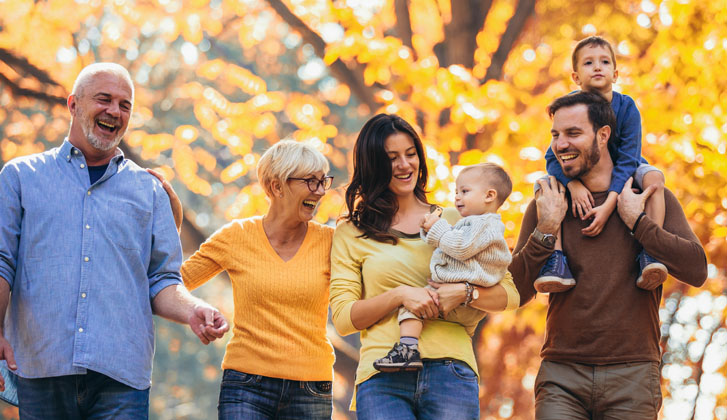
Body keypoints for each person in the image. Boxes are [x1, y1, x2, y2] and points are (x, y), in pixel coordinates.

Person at [0, 63, 229, 419]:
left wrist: (193, 310)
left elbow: (163, 280)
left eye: (125, 105)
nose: (114, 111)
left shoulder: (150, 190)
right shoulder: (20, 177)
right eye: (104, 99)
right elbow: (2, 262)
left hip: (121, 378)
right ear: (73, 105)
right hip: (42, 366)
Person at [510, 91, 707, 419]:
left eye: (573, 133)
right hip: (561, 375)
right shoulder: (549, 202)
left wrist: (639, 224)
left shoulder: (648, 198)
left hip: (633, 376)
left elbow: (697, 270)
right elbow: (514, 291)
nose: (560, 144)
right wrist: (545, 229)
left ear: (604, 135)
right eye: (555, 135)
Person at [330, 114, 520, 419]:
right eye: (392, 158)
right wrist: (399, 295)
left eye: (410, 154)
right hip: (382, 376)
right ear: (373, 164)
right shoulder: (351, 232)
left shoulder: (460, 222)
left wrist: (465, 293)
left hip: (451, 370)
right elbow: (343, 319)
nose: (405, 165)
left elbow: (510, 295)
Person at [177, 140, 336, 419]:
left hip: (311, 389)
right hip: (247, 385)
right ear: (277, 187)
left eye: (323, 182)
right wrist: (196, 310)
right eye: (311, 182)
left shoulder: (332, 242)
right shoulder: (236, 237)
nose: (321, 191)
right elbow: (174, 282)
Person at [535, 35, 668, 293]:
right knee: (543, 186)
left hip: (625, 169)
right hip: (581, 172)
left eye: (605, 62)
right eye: (588, 63)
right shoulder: (570, 107)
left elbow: (630, 157)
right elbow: (553, 156)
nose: (597, 67)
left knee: (654, 179)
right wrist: (572, 184)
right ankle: (556, 260)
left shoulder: (627, 106)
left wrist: (610, 202)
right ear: (575, 77)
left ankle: (651, 252)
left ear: (615, 73)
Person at [373, 163, 513, 372]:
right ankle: (408, 350)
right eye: (456, 191)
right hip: (460, 293)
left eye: (465, 191)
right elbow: (452, 240)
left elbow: (460, 247)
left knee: (413, 306)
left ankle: (407, 349)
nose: (457, 197)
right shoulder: (473, 224)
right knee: (415, 304)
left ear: (489, 195)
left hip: (462, 296)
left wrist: (437, 228)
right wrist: (429, 228)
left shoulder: (485, 224)